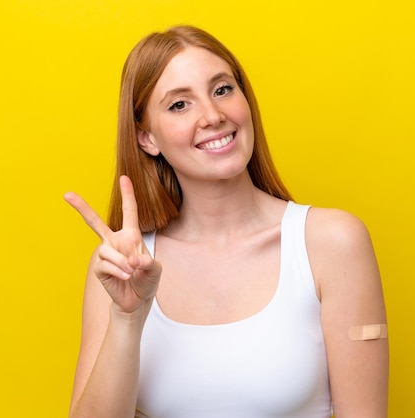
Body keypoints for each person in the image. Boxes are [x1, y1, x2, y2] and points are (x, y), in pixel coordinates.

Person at [64, 25, 388, 418]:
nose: (213, 116)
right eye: (180, 105)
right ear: (147, 138)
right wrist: (127, 318)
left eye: (222, 89)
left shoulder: (332, 244)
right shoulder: (122, 268)